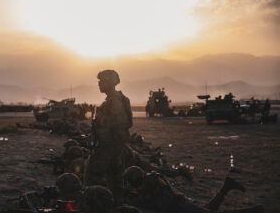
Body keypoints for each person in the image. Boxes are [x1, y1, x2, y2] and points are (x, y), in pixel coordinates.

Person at [123, 166, 264, 213]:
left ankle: (253, 211)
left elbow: (145, 201)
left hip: (178, 206)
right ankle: (226, 187)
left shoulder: (148, 182)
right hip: (179, 204)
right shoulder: (151, 178)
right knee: (208, 209)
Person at [83, 70, 133, 202]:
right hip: (111, 145)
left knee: (94, 176)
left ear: (110, 83)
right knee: (114, 178)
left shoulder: (114, 101)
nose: (99, 84)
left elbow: (121, 122)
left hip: (108, 146)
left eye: (102, 81)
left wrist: (103, 129)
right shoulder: (111, 100)